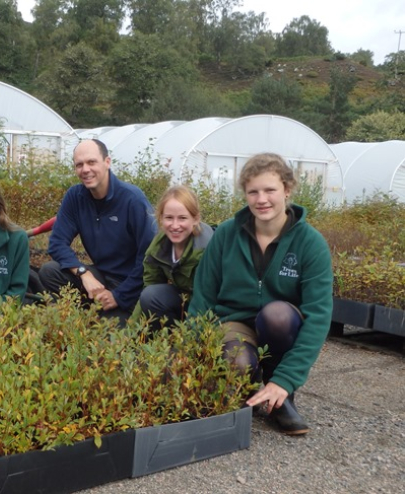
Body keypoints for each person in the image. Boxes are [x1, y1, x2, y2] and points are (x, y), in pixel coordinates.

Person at [188, 152, 333, 435]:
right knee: (238, 362)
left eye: (270, 190)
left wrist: (287, 379)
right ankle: (250, 380)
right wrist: (194, 356)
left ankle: (281, 395)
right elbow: (202, 297)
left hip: (281, 326)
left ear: (287, 190)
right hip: (235, 322)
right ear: (245, 194)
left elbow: (318, 317)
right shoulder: (227, 234)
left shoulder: (310, 243)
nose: (261, 199)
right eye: (253, 191)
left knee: (277, 315)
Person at [38, 139, 156, 323]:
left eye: (91, 162)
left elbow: (149, 257)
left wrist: (119, 296)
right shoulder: (75, 197)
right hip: (100, 278)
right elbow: (56, 243)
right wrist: (84, 273)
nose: (85, 169)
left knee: (111, 341)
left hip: (131, 285)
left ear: (107, 162)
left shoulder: (132, 199)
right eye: (79, 165)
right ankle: (81, 318)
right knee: (49, 271)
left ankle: (107, 315)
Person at [136, 185, 214, 329]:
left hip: (211, 310)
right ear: (160, 218)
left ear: (195, 219)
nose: (175, 225)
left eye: (183, 218)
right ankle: (168, 337)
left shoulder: (207, 249)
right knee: (150, 295)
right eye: (169, 218)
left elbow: (206, 300)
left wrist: (188, 341)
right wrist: (127, 337)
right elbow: (149, 287)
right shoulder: (158, 247)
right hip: (184, 302)